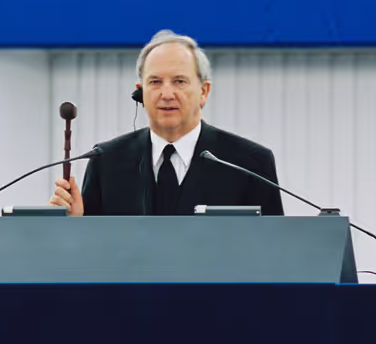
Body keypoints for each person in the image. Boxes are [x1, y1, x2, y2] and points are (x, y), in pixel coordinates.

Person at [49, 30, 284, 216]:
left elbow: (275, 253)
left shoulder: (250, 164)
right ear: (140, 92)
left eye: (179, 81)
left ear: (204, 91)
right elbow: (91, 255)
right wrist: (75, 225)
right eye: (155, 82)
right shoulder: (106, 161)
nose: (167, 93)